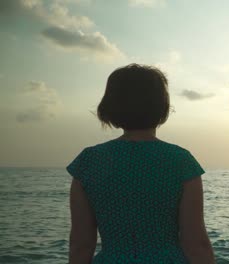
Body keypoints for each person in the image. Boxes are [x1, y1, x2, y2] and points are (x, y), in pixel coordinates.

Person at [66, 63, 215, 263]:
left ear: (110, 106)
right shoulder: (181, 161)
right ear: (162, 107)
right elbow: (196, 243)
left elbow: (81, 244)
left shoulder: (88, 161)